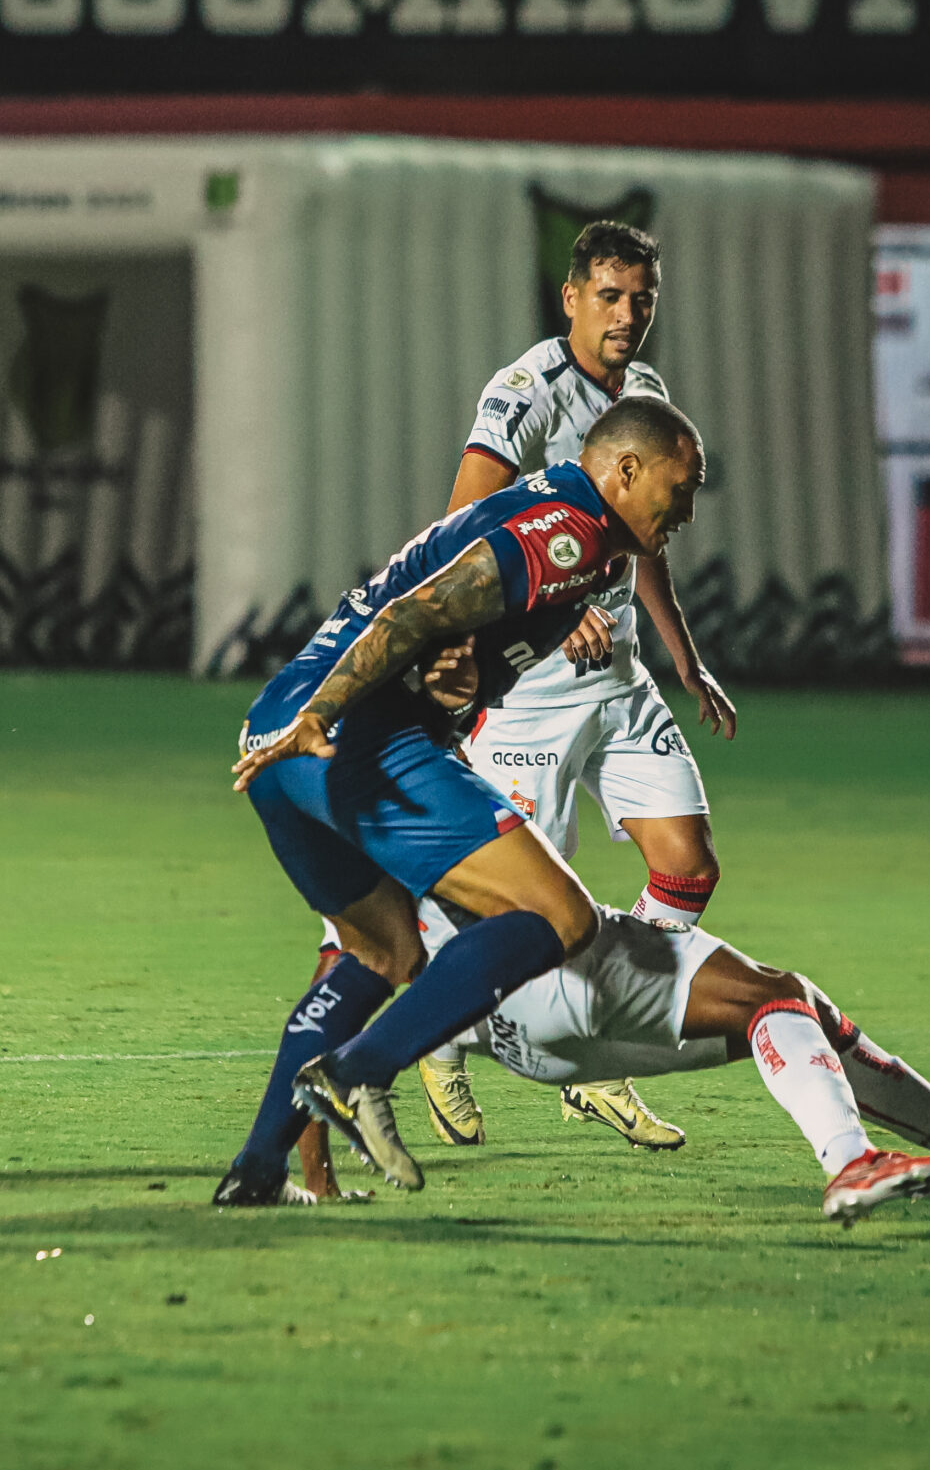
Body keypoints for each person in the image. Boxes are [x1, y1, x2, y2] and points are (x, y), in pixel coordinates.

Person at [215, 397, 704, 1207]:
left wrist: (453, 687)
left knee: (385, 953)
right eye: (679, 488)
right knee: (560, 916)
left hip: (280, 738)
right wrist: (323, 715)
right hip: (336, 733)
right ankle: (357, 1071)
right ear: (624, 471)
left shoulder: (597, 560)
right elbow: (416, 611)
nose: (685, 510)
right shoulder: (567, 532)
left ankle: (257, 1171)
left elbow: (453, 662)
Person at [409, 218, 740, 1156]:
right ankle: (448, 1035)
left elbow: (643, 540)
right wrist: (543, 612)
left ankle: (603, 1063)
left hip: (621, 678)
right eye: (610, 295)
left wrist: (683, 651)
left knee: (688, 865)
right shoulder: (520, 395)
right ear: (570, 299)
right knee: (521, 914)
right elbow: (463, 536)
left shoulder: (646, 393)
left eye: (643, 298)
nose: (628, 314)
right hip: (533, 694)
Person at [407, 900, 930, 1223]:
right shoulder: (519, 709)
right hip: (558, 968)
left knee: (796, 1002)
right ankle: (851, 1159)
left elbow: (358, 959)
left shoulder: (403, 771)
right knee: (771, 996)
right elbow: (682, 859)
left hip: (516, 1027)